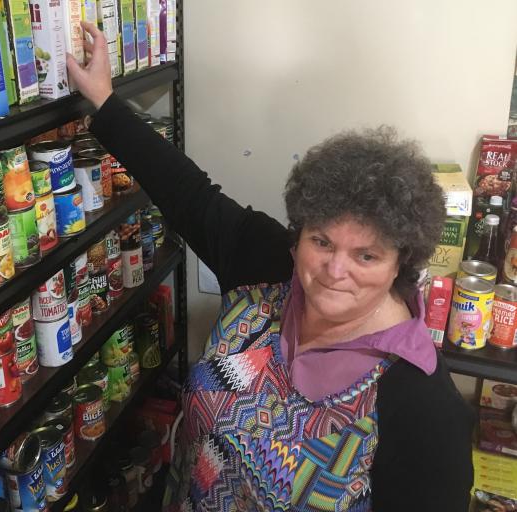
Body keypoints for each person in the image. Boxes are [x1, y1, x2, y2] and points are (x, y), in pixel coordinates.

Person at [68, 23, 474, 512]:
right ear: (299, 231)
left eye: (366, 255)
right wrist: (105, 99)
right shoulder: (266, 263)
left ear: (400, 262)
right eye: (321, 240)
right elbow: (187, 194)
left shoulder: (422, 404)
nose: (334, 270)